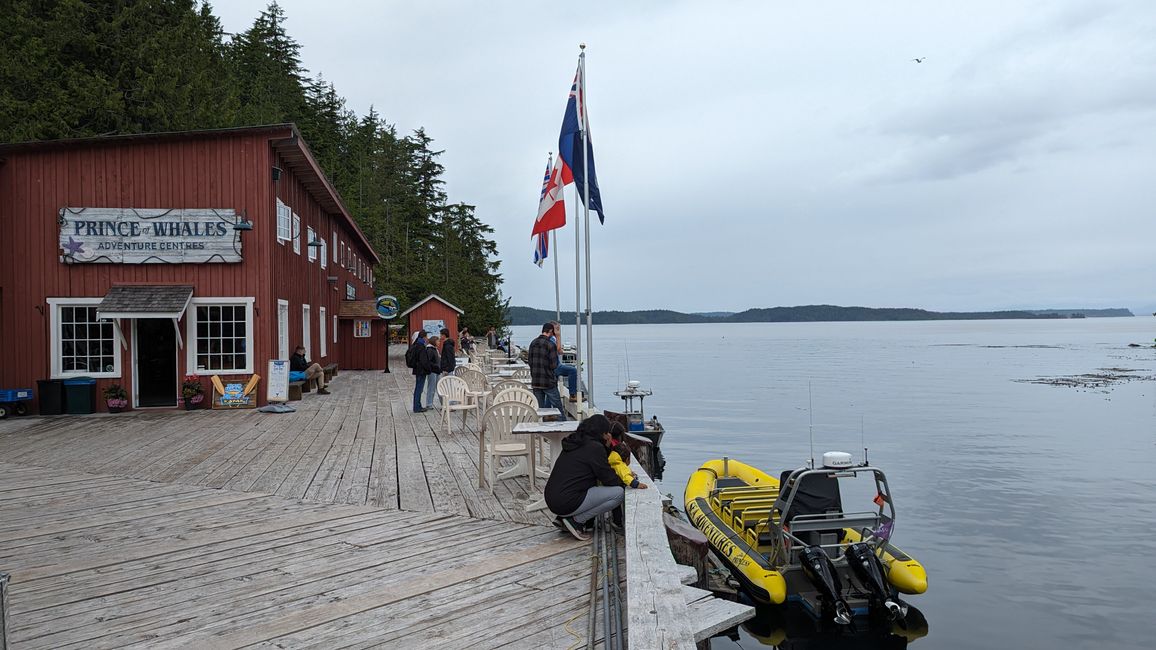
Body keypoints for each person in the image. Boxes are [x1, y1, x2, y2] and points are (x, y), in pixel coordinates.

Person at [545, 414, 627, 541]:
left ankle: (563, 518)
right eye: (606, 432)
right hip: (567, 502)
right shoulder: (595, 447)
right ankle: (576, 520)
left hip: (552, 499)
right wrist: (627, 481)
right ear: (602, 433)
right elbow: (608, 478)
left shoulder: (574, 441)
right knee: (619, 493)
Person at [528, 322, 566, 420]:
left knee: (540, 411)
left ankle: (542, 431)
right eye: (553, 333)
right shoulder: (550, 345)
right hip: (548, 382)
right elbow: (554, 365)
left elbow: (530, 362)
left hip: (536, 382)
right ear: (550, 331)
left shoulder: (533, 343)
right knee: (559, 410)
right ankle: (564, 429)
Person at [608, 422, 648, 490]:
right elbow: (624, 473)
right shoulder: (617, 452)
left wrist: (629, 472)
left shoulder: (609, 448)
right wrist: (636, 484)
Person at [550, 320, 580, 402]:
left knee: (551, 389)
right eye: (557, 329)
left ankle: (547, 412)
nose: (558, 331)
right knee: (573, 371)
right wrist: (558, 336)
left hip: (548, 367)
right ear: (552, 329)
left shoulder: (548, 338)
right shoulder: (552, 338)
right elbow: (559, 350)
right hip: (554, 366)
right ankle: (573, 395)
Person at [410, 331, 438, 413]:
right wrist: (428, 369)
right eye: (426, 337)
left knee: (418, 388)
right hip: (421, 370)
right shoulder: (421, 346)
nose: (427, 338)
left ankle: (417, 406)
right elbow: (423, 361)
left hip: (417, 369)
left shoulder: (416, 344)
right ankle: (417, 407)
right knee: (419, 389)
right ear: (424, 337)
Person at [424, 334, 441, 409]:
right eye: (438, 341)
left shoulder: (434, 349)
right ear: (434, 341)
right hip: (432, 371)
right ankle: (429, 404)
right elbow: (429, 362)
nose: (439, 342)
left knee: (439, 387)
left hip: (437, 371)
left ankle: (443, 403)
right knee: (431, 388)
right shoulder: (430, 350)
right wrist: (436, 366)